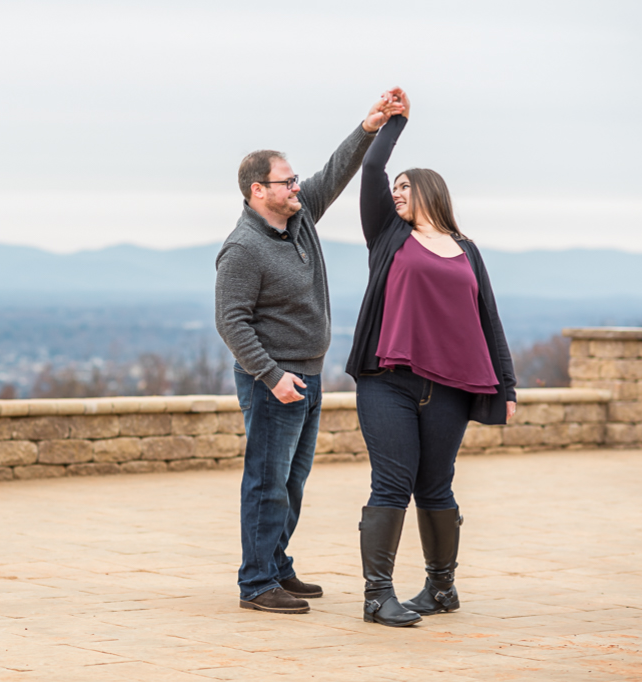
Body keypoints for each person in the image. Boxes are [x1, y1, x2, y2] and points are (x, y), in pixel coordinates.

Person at [215, 93, 397, 615]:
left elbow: (336, 172)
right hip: (273, 381)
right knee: (267, 482)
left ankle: (276, 565)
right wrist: (272, 377)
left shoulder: (299, 218)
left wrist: (368, 127)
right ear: (258, 190)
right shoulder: (243, 248)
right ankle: (256, 583)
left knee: (292, 482)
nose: (297, 187)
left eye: (296, 181)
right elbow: (232, 322)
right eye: (286, 181)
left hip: (306, 377)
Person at [343, 89, 517, 627]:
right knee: (392, 483)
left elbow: (488, 317)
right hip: (388, 380)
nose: (395, 193)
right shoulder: (389, 235)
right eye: (394, 189)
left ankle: (442, 589)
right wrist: (392, 123)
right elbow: (372, 167)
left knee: (436, 485)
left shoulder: (467, 249)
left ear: (430, 193)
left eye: (405, 187)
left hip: (451, 385)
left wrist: (506, 387)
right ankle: (378, 597)